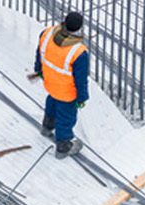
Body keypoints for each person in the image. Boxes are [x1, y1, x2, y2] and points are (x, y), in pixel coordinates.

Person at [34, 12, 90, 159]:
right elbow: (81, 80)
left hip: (50, 82)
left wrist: (38, 70)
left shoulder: (47, 34)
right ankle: (64, 145)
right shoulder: (79, 52)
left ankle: (47, 126)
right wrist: (81, 97)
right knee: (66, 117)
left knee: (52, 102)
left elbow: (39, 53)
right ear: (79, 29)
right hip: (66, 92)